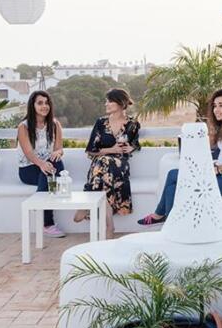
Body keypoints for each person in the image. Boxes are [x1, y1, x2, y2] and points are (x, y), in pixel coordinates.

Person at [138, 88, 222, 225]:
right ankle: (169, 221)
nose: (216, 110)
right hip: (220, 176)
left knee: (173, 175)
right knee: (173, 183)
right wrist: (212, 131)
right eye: (214, 106)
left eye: (221, 105)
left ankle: (162, 217)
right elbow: (209, 147)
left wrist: (219, 169)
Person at [74, 88, 140, 238]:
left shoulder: (132, 124)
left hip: (120, 165)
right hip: (100, 164)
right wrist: (111, 149)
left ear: (120, 103)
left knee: (103, 169)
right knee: (104, 171)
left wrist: (131, 147)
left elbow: (135, 144)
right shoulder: (101, 123)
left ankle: (86, 203)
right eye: (106, 101)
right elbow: (91, 150)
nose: (106, 104)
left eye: (110, 101)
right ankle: (109, 226)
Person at [17, 90, 66, 238]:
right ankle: (48, 223)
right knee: (50, 176)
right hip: (28, 168)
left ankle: (38, 203)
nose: (44, 106)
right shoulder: (24, 127)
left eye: (46, 103)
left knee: (57, 164)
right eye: (40, 103)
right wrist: (42, 164)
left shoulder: (55, 124)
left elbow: (59, 148)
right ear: (32, 106)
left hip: (48, 166)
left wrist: (57, 153)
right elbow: (28, 153)